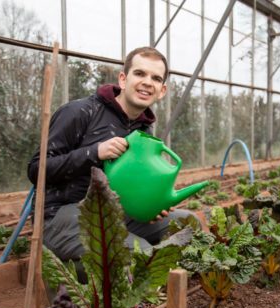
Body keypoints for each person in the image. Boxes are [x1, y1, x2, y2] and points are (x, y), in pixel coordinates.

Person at [28, 47, 196, 281]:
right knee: (140, 253)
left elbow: (130, 187)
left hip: (111, 214)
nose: (147, 82)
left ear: (162, 91)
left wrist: (150, 207)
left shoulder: (143, 129)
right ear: (123, 79)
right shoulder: (81, 112)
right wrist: (94, 152)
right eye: (140, 74)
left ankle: (131, 274)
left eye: (156, 78)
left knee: (189, 224)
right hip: (62, 215)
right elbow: (37, 169)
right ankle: (78, 272)